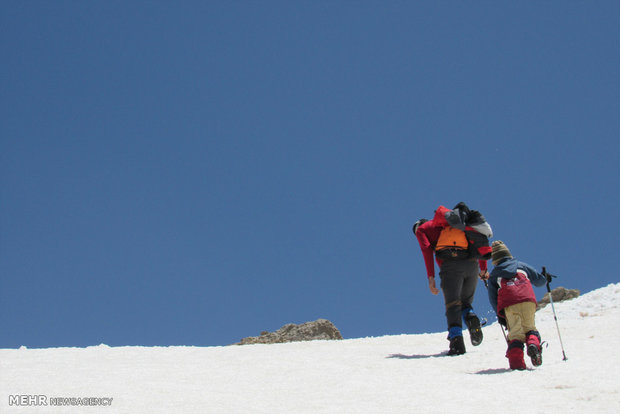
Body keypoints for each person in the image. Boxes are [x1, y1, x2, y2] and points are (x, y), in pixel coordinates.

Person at [413, 205, 489, 355]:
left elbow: (426, 250)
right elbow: (476, 240)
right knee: (465, 303)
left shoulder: (422, 230)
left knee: (453, 304)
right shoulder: (454, 224)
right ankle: (470, 316)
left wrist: (431, 278)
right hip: (472, 264)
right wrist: (483, 268)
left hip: (451, 267)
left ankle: (456, 342)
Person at [483, 241, 547, 370]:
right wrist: (545, 278)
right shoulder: (521, 265)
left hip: (509, 304)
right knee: (530, 328)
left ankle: (517, 365)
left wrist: (500, 314)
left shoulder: (494, 275)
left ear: (495, 260)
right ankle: (533, 344)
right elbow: (540, 281)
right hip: (528, 299)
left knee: (515, 335)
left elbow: (493, 298)